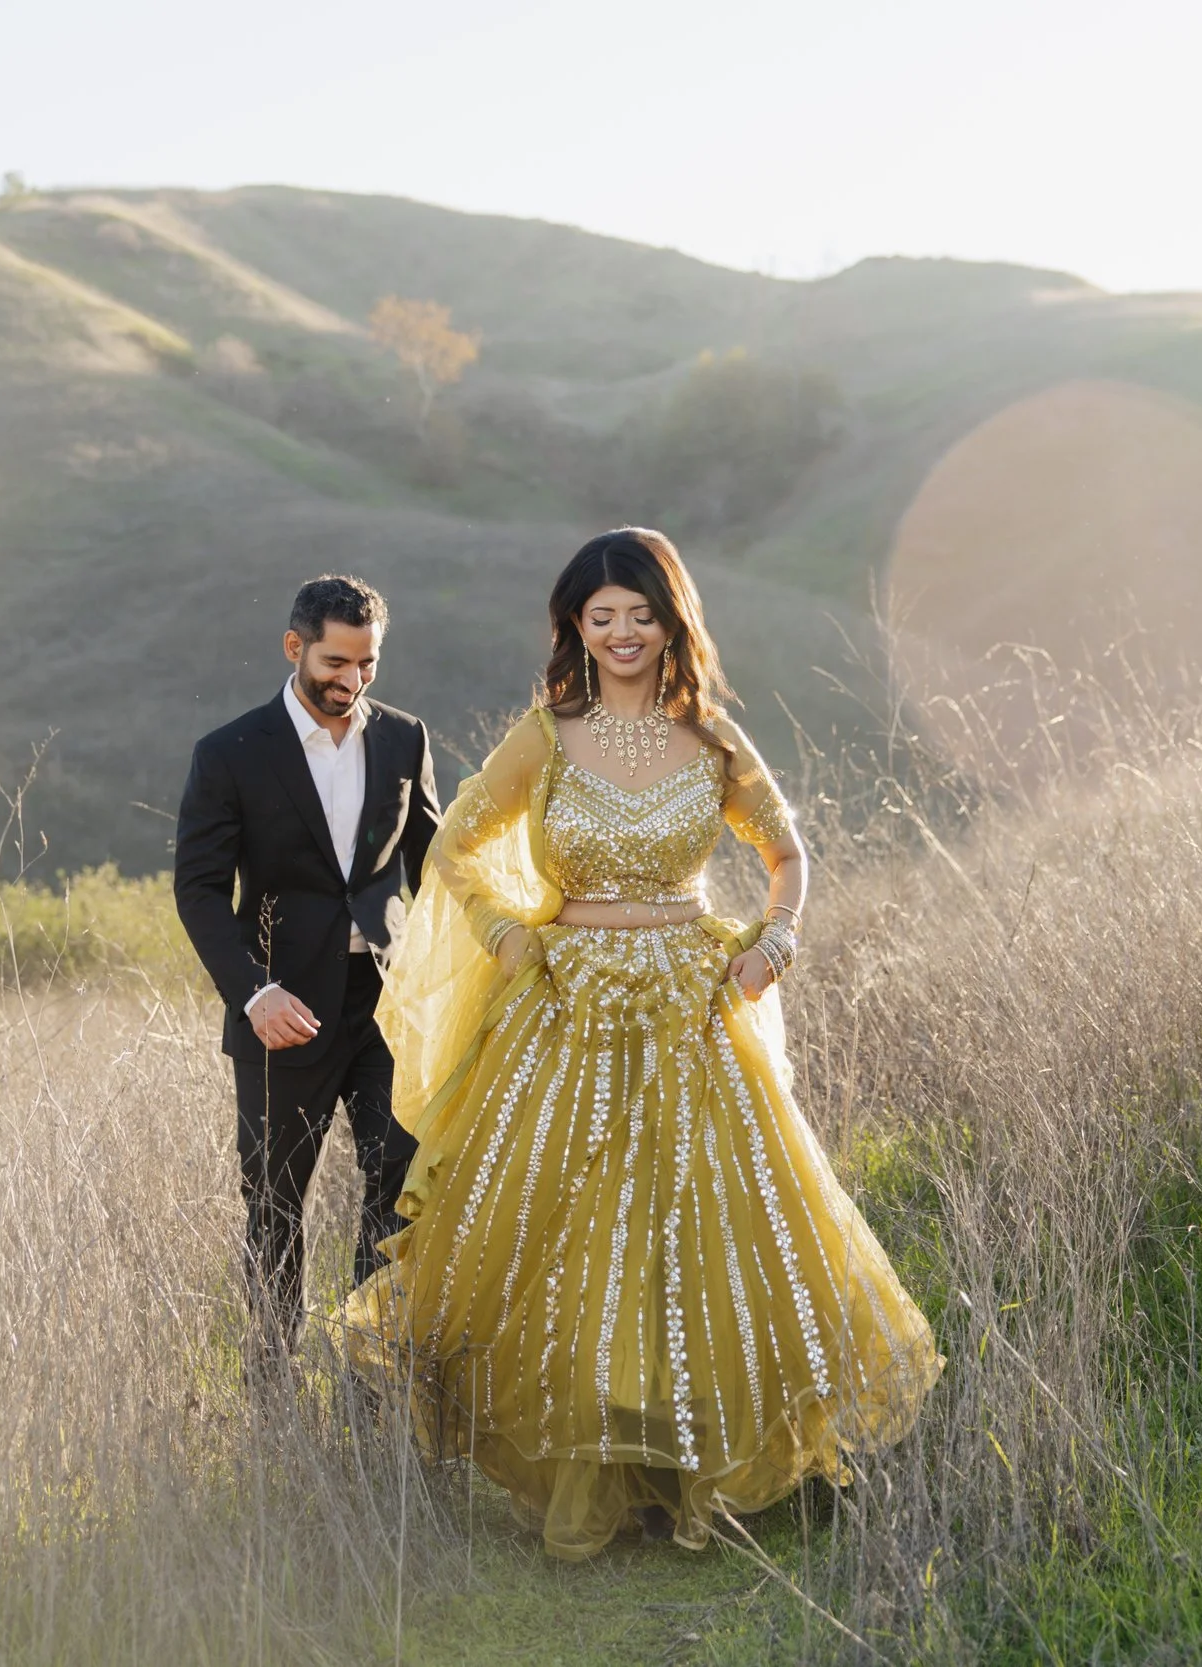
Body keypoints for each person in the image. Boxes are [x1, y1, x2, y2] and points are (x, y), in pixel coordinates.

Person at [343, 528, 942, 1559]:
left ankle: (694, 1460)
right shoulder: (546, 732)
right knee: (565, 1226)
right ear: (575, 627)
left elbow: (786, 849)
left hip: (690, 1002)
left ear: (673, 623)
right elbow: (453, 844)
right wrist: (503, 931)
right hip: (565, 1006)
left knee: (699, 1225)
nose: (621, 634)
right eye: (600, 616)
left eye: (640, 614)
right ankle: (589, 1460)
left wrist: (777, 936)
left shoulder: (710, 739)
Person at [176, 575, 441, 1364]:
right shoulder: (228, 753)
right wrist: (253, 992)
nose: (352, 681)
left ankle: (371, 1366)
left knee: (397, 1180)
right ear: (295, 648)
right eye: (335, 661)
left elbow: (433, 872)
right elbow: (197, 891)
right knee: (274, 1205)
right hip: (280, 1011)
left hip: (385, 1006)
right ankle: (273, 1380)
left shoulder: (405, 737)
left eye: (367, 664)